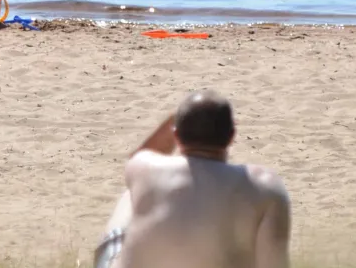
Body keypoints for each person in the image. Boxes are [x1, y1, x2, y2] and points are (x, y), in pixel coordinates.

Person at [98, 90, 291, 268]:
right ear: (231, 136)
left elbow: (146, 152)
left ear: (176, 134)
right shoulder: (266, 186)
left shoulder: (143, 167)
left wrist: (181, 116)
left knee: (129, 197)